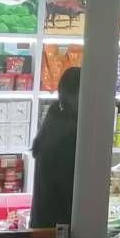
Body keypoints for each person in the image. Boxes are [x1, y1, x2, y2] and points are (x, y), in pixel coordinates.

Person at [30, 67, 81, 229]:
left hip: (45, 224)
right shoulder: (69, 133)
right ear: (77, 95)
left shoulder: (54, 121)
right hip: (59, 228)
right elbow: (68, 190)